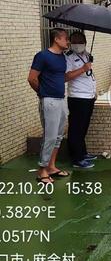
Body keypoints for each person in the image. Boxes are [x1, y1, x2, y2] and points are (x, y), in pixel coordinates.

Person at [27, 28, 77, 183]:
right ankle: (42, 171)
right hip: (49, 100)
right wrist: (42, 93)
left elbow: (61, 78)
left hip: (61, 100)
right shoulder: (42, 56)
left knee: (58, 136)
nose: (68, 41)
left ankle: (51, 167)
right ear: (56, 39)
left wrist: (83, 69)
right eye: (65, 38)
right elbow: (32, 78)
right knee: (49, 136)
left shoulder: (62, 58)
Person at [65, 31, 97, 169]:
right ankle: (76, 159)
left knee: (83, 127)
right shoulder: (68, 57)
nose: (78, 44)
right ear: (70, 43)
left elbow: (89, 75)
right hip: (77, 98)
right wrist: (83, 68)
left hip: (88, 97)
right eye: (75, 42)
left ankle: (82, 153)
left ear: (85, 42)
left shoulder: (86, 54)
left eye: (81, 41)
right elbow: (66, 76)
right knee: (76, 128)